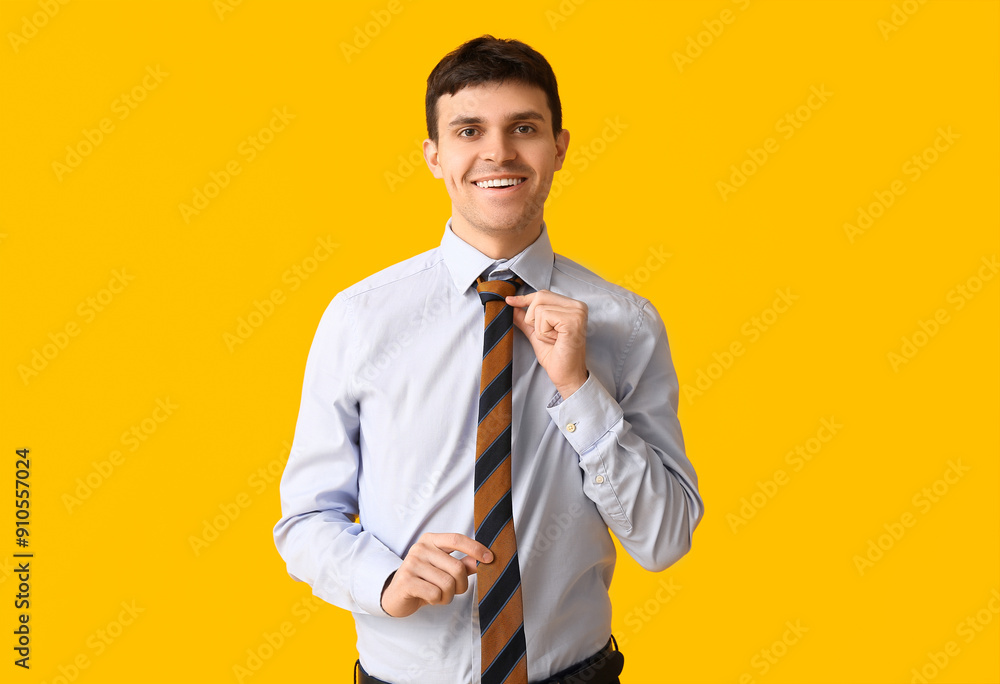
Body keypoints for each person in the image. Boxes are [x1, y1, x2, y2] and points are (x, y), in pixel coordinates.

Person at [273, 35, 703, 684]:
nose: (497, 152)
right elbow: (305, 520)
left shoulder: (625, 324)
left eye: (523, 128)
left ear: (558, 147)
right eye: (469, 130)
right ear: (434, 156)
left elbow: (665, 538)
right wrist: (385, 580)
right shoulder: (361, 319)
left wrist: (581, 391)